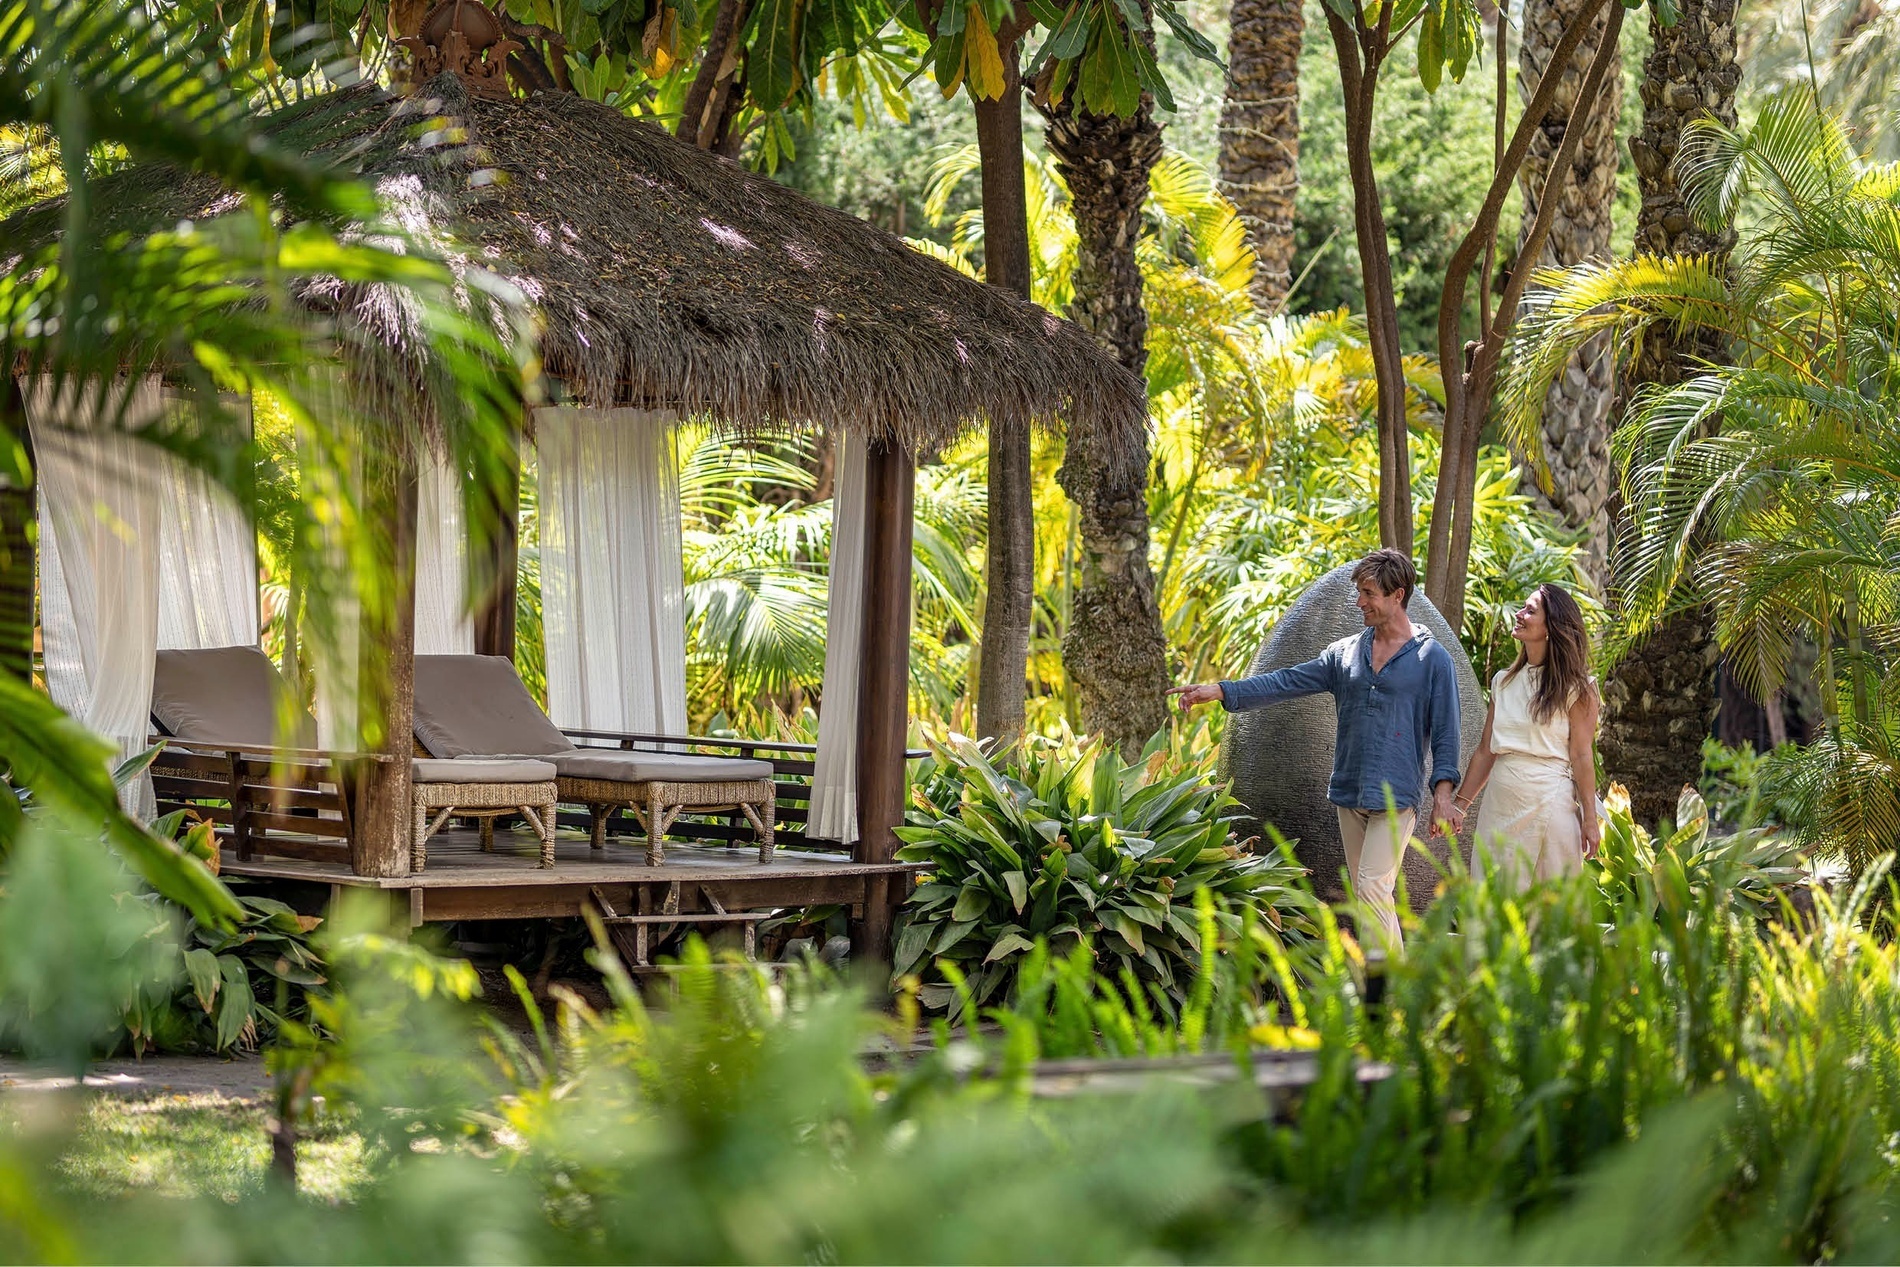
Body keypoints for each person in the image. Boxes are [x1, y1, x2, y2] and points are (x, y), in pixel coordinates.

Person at [1168, 549, 1463, 954]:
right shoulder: (1344, 654)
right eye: (1359, 591)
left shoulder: (1433, 660)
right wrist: (1220, 690)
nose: (1359, 601)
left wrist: (1444, 795)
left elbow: (1447, 733)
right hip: (1349, 794)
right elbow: (1286, 681)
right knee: (1369, 899)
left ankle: (1384, 995)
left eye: (1368, 593)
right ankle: (1399, 990)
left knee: (1373, 888)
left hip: (1397, 799)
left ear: (1398, 595)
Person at [1452, 583, 1601, 890]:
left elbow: (1582, 755)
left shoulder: (1579, 688)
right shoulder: (1503, 682)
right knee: (1493, 905)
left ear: (1552, 627)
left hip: (1550, 806)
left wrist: (1588, 818)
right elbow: (1485, 751)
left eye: (1530, 610)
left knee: (1546, 914)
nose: (1519, 615)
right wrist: (1460, 805)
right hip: (1499, 809)